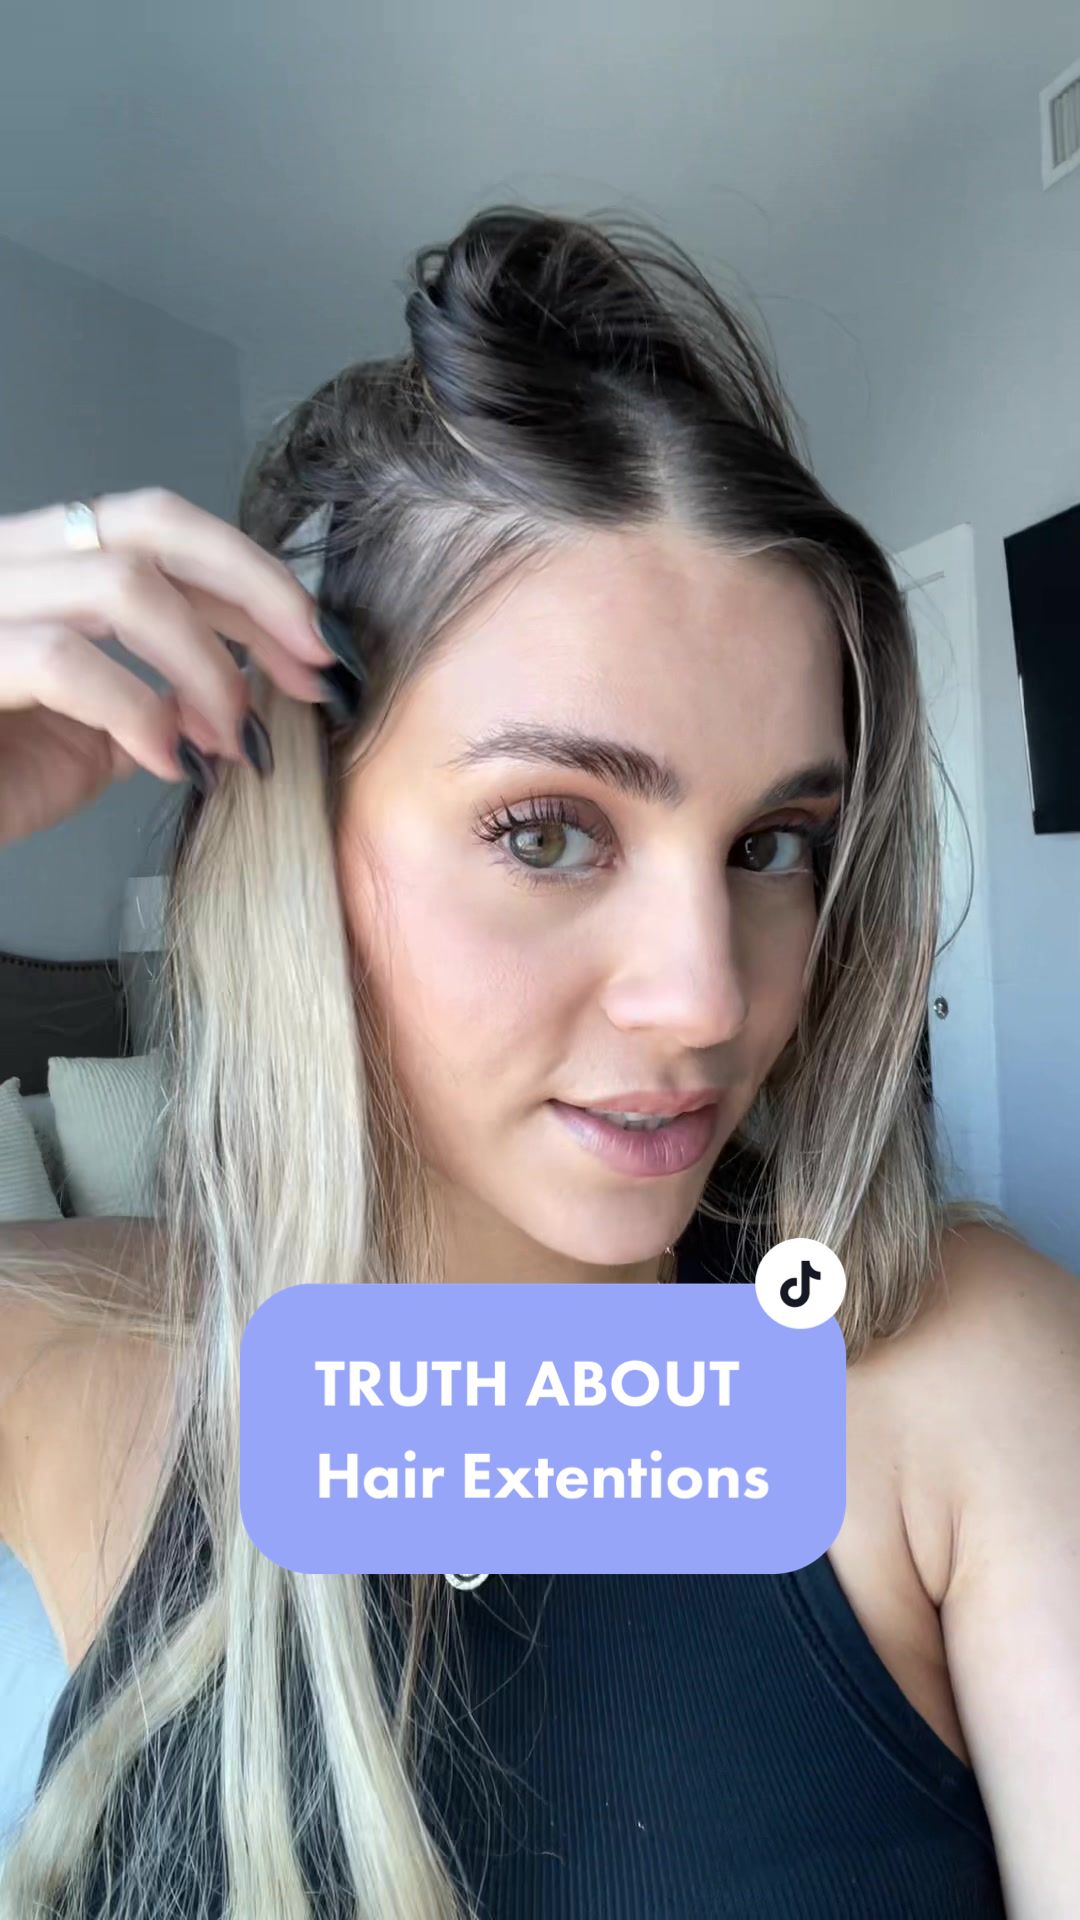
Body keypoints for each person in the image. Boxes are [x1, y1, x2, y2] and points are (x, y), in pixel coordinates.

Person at [0, 204, 1077, 1920]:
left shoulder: (956, 1371)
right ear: (295, 852)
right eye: (549, 830)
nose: (706, 1001)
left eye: (774, 844)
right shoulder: (87, 1359)